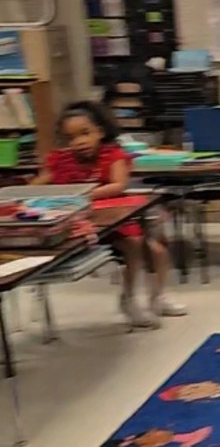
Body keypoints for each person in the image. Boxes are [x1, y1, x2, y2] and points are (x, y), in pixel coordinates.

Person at [32, 101, 186, 328]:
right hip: (77, 222)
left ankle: (156, 298)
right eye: (71, 137)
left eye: (85, 133)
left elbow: (118, 185)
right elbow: (36, 186)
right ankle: (130, 300)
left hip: (115, 218)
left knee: (153, 249)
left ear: (100, 132)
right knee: (134, 245)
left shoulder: (113, 155)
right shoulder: (59, 160)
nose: (79, 142)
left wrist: (80, 193)